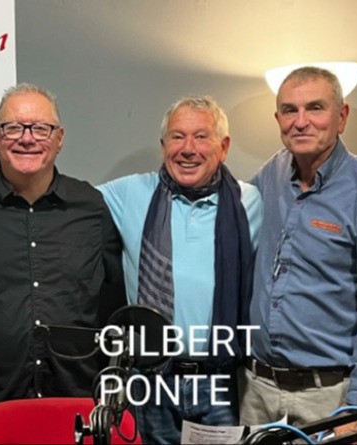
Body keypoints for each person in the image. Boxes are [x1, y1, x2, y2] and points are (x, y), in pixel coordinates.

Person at [0, 83, 125, 442]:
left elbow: (112, 297)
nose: (27, 138)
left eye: (41, 128)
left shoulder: (91, 206)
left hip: (73, 403)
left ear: (59, 139)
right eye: (13, 128)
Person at [241, 66, 357, 441]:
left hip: (332, 399)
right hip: (257, 393)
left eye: (315, 108)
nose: (301, 121)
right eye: (290, 110)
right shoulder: (269, 176)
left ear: (342, 117)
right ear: (278, 119)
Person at [96, 95, 261, 444]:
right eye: (177, 136)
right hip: (149, 381)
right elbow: (64, 198)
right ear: (163, 146)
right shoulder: (129, 193)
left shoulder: (251, 200)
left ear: (224, 147)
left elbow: (298, 186)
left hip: (220, 381)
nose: (188, 149)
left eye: (201, 136)